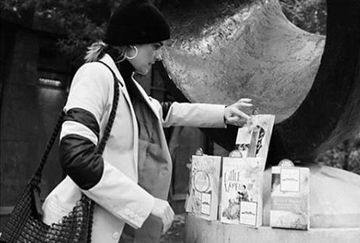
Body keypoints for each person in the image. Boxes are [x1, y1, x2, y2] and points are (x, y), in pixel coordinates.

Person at [41, 1, 252, 243]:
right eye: (155, 46)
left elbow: (165, 111)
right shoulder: (95, 75)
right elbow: (76, 157)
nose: (158, 55)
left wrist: (224, 113)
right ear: (132, 44)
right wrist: (147, 203)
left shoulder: (128, 86)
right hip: (82, 227)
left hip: (116, 225)